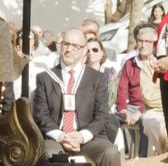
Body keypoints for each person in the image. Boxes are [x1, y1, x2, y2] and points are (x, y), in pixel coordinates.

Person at [32, 28, 119, 166]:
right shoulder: (45, 78)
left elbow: (102, 115)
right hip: (55, 139)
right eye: (66, 44)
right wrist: (61, 136)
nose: (69, 49)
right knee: (48, 155)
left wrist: (82, 136)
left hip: (89, 138)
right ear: (60, 47)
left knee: (110, 152)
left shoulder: (97, 78)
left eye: (75, 46)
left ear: (84, 50)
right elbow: (40, 114)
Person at [117, 23, 165, 156]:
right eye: (140, 41)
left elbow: (157, 96)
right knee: (110, 120)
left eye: (147, 41)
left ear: (155, 44)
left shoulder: (159, 64)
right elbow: (122, 90)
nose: (143, 45)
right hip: (130, 106)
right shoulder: (129, 63)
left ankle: (143, 159)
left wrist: (140, 111)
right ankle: (114, 159)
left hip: (151, 107)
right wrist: (123, 110)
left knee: (146, 120)